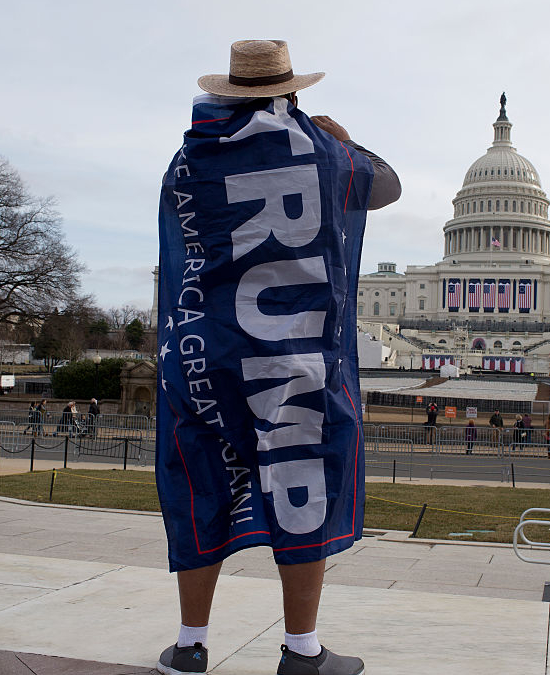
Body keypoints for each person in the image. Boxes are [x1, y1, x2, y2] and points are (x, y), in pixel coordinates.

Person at [154, 39, 400, 675]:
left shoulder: (190, 159)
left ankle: (189, 645)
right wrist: (343, 138)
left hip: (205, 359)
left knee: (201, 483)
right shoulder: (323, 157)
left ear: (228, 93)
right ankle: (301, 651)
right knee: (302, 482)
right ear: (290, 92)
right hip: (292, 360)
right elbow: (387, 188)